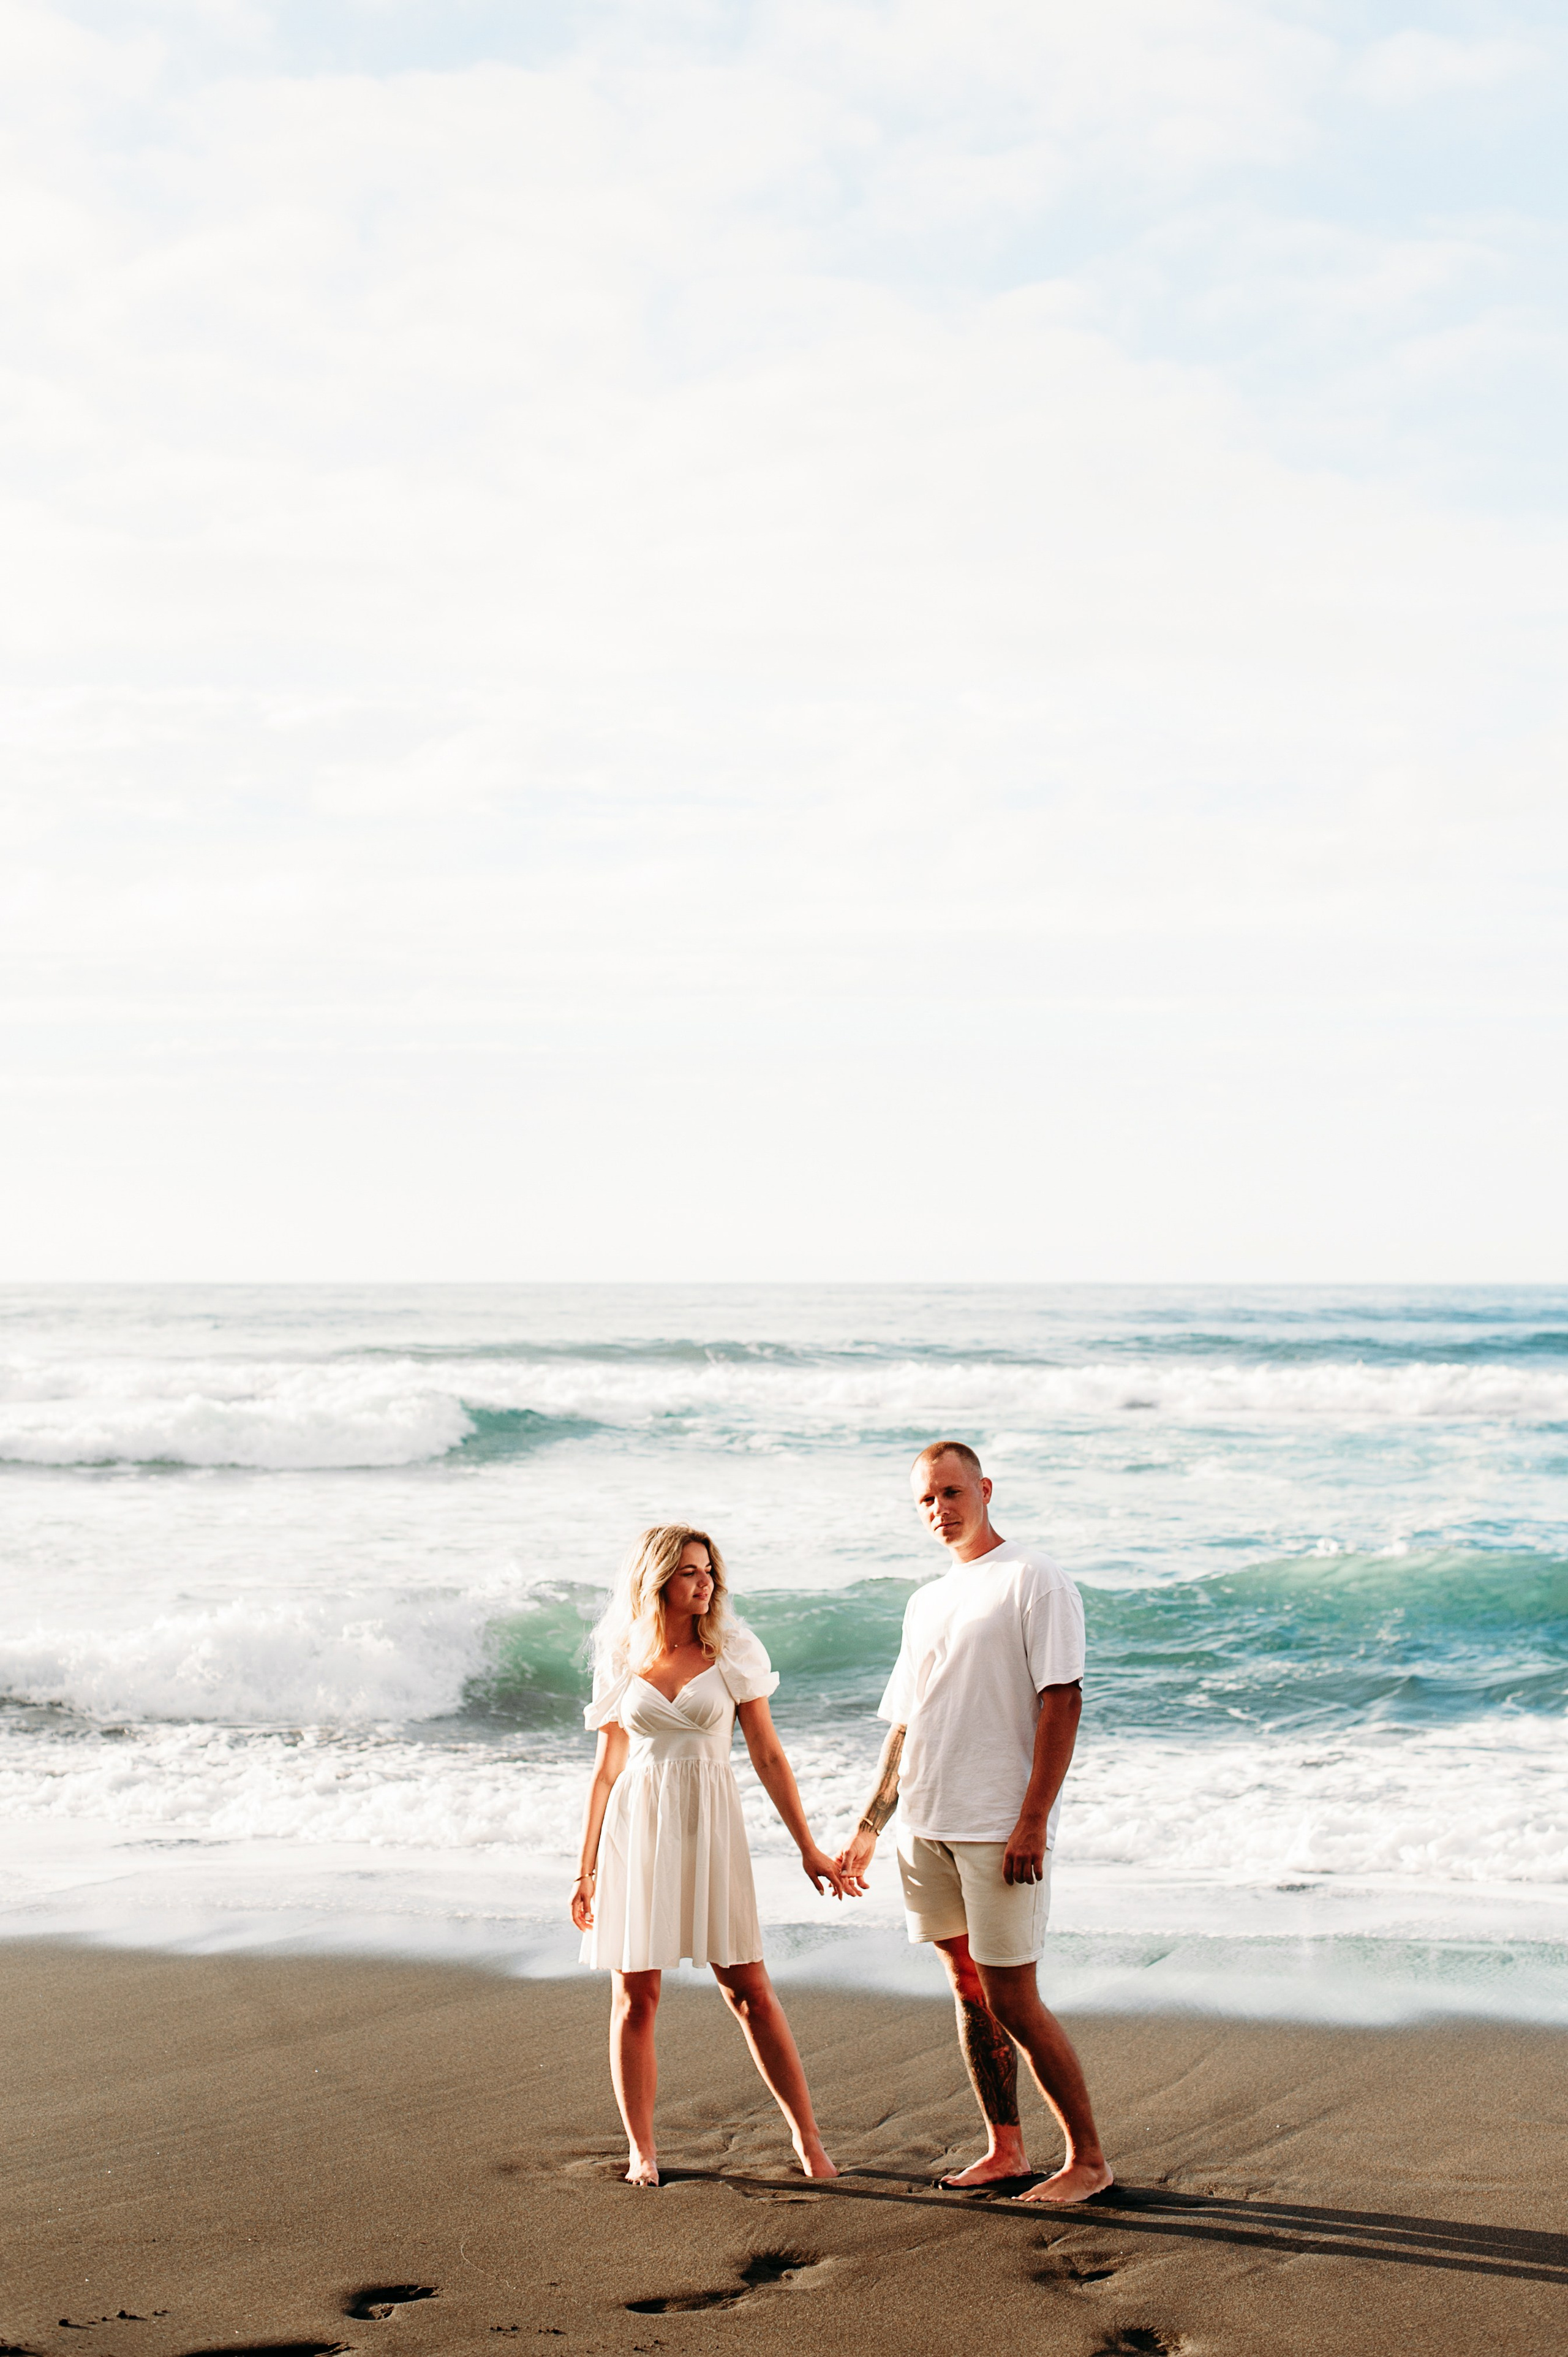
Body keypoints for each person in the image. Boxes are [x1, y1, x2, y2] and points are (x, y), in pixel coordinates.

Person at [837, 1442, 1113, 2204]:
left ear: (985, 1488)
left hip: (998, 1824)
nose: (940, 1509)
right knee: (966, 1986)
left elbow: (1064, 1699)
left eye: (951, 1492)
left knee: (1013, 1995)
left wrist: (1034, 1820)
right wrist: (867, 1828)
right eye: (926, 1500)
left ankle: (1088, 2161)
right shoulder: (926, 1599)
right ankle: (1006, 2149)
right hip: (923, 1820)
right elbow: (905, 1723)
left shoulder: (1034, 1578)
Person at [571, 1522, 845, 2187]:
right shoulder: (621, 1654)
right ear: (658, 1577)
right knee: (635, 1993)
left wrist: (807, 1845)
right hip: (637, 1825)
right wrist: (586, 1868)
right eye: (692, 1571)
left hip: (710, 1822)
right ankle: (643, 2148)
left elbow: (768, 1754)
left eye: (710, 1571)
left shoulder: (733, 1650)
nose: (706, 1583)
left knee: (747, 1986)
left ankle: (807, 2137)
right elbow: (607, 1768)